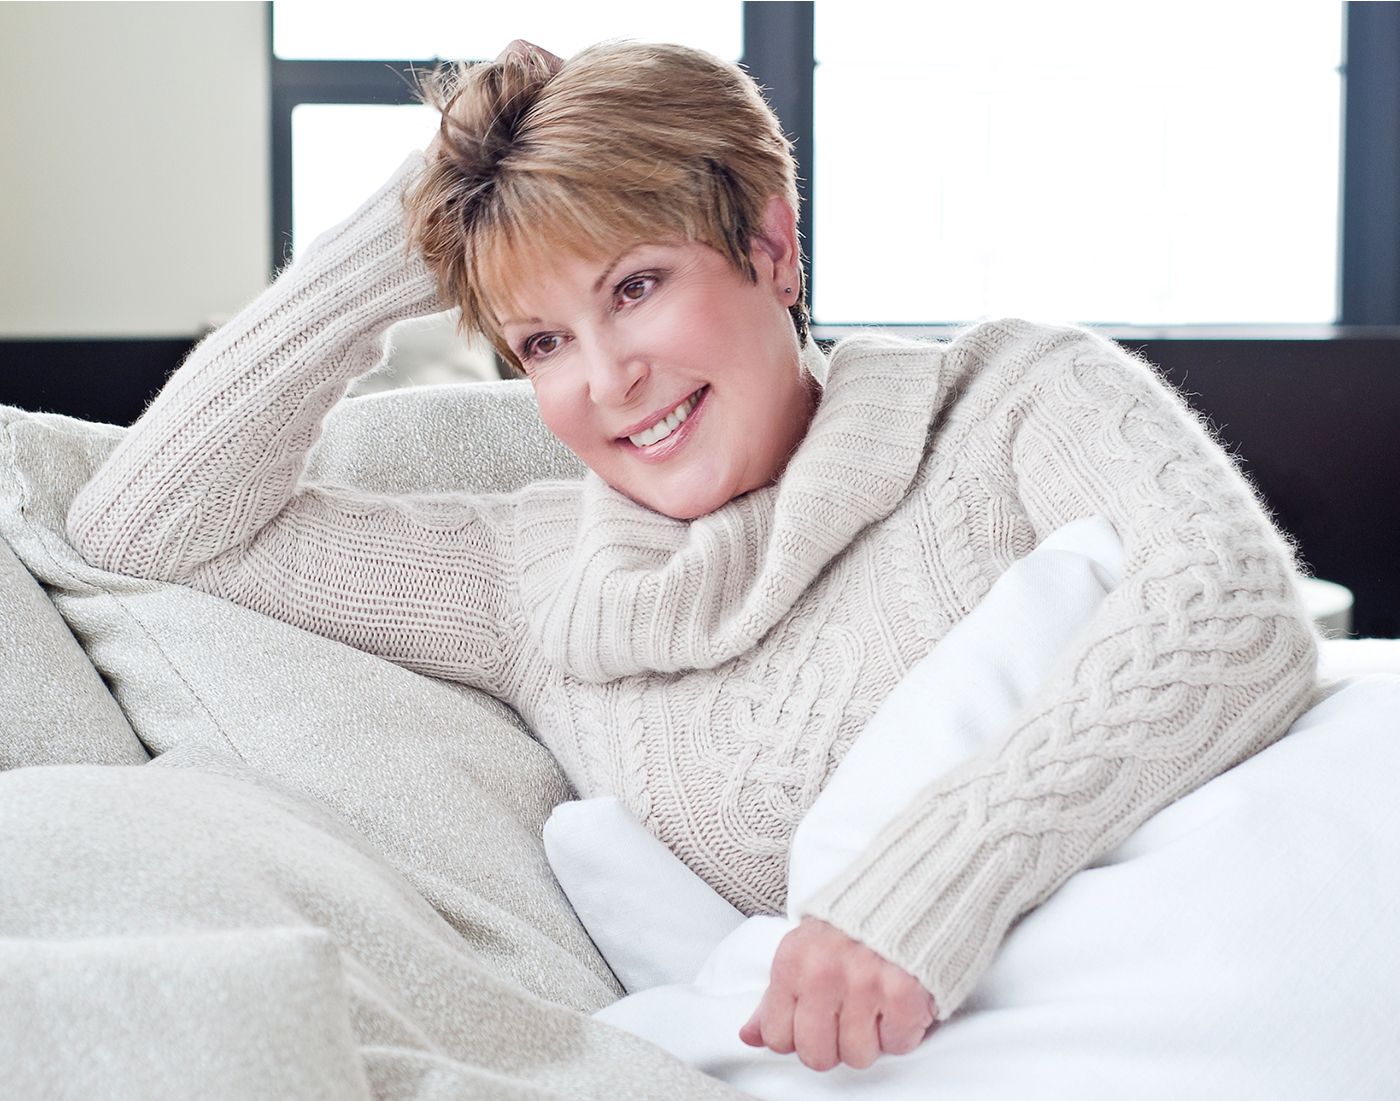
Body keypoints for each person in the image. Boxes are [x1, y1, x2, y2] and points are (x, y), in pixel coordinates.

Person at [66, 38, 1319, 1074]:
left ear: (771, 250)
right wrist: (428, 215)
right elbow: (145, 525)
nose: (610, 383)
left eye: (635, 286)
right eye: (541, 342)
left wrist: (919, 893)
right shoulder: (530, 585)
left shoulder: (1008, 400)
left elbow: (1230, 612)